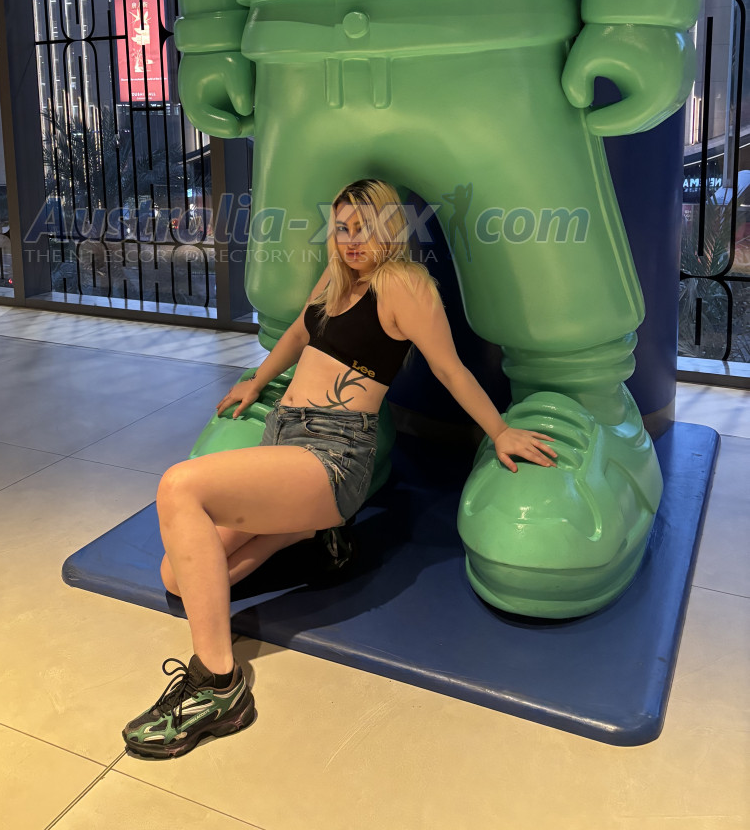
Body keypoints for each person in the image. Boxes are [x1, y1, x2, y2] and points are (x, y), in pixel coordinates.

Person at [122, 179, 557, 759]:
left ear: (390, 229)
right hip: (285, 438)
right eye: (343, 228)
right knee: (176, 577)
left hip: (333, 454)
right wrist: (257, 381)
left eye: (365, 228)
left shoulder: (403, 284)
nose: (353, 241)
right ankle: (304, 533)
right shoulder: (335, 279)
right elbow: (299, 334)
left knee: (180, 486)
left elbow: (450, 369)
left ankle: (220, 684)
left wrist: (500, 431)